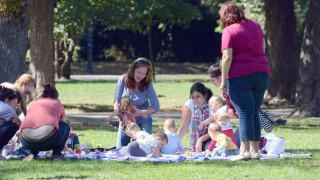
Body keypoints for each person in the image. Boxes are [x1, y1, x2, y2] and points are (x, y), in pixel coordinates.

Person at [218, 1, 270, 161]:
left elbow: (227, 57)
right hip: (262, 72)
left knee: (244, 113)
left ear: (225, 17)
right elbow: (263, 47)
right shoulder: (255, 25)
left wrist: (223, 81)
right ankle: (255, 151)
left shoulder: (229, 31)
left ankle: (244, 151)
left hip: (241, 74)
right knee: (254, 112)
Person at [113, 57, 160, 148]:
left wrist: (144, 112)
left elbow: (156, 105)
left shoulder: (147, 84)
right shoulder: (123, 80)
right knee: (121, 149)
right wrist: (117, 111)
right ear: (133, 69)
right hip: (127, 119)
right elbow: (117, 100)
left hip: (143, 119)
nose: (140, 75)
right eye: (139, 72)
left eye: (144, 73)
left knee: (143, 146)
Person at [19, 83, 70, 161]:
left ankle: (32, 154)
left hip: (26, 141)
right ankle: (57, 155)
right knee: (65, 126)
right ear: (56, 96)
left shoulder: (33, 104)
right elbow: (62, 122)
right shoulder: (57, 104)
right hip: (46, 141)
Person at [177, 82, 213, 152]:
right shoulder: (190, 104)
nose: (195, 100)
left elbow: (216, 129)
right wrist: (175, 143)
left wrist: (201, 139)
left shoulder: (211, 104)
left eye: (198, 96)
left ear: (205, 96)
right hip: (195, 141)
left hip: (211, 137)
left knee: (210, 148)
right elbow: (184, 126)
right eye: (193, 97)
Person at [0, 86, 21, 160]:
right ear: (7, 100)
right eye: (14, 104)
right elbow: (20, 123)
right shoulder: (7, 108)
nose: (15, 107)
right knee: (15, 124)